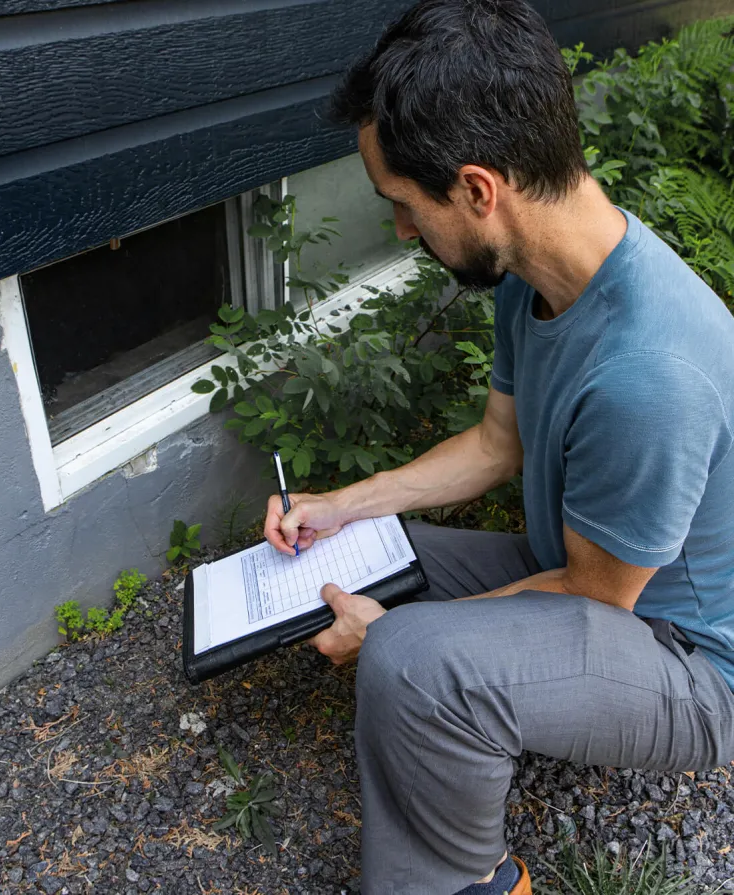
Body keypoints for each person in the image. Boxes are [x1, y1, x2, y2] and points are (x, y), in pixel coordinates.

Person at [263, 1, 734, 892]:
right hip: (590, 577)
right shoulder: (539, 277)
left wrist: (401, 634)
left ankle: (468, 882)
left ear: (478, 189)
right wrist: (338, 507)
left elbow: (599, 597)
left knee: (410, 658)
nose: (403, 231)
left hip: (691, 659)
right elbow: (494, 444)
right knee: (375, 553)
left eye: (403, 205)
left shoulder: (650, 371)